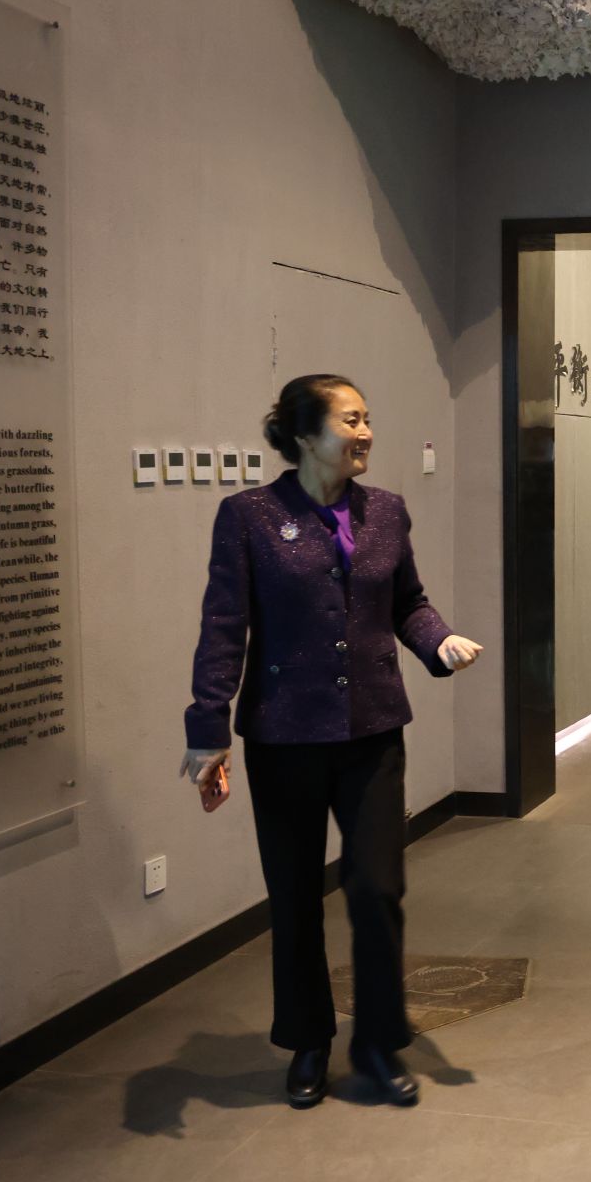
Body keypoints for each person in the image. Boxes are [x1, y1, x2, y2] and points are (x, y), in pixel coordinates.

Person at [181, 373, 482, 1110]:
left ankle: (378, 1042)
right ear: (306, 435)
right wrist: (208, 730)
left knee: (378, 888)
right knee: (294, 897)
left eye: (367, 417)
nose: (365, 432)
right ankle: (309, 1039)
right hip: (283, 735)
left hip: (372, 732)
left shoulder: (387, 512)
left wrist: (437, 641)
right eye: (351, 420)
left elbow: (408, 602)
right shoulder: (249, 517)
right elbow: (224, 627)